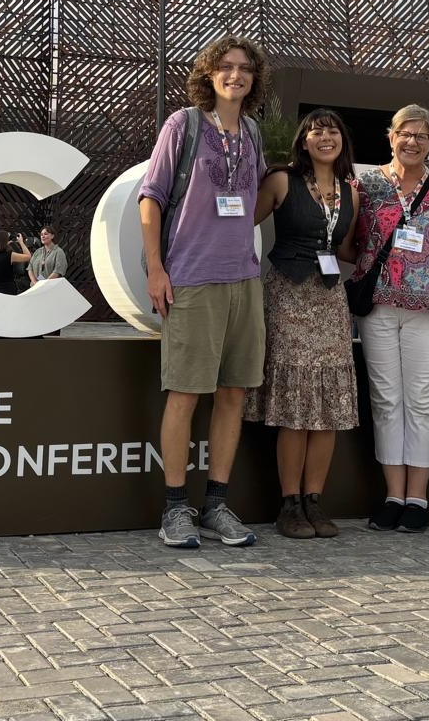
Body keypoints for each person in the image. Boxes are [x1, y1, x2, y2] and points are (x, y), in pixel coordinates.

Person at [138, 34, 267, 549]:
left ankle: (215, 503)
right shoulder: (184, 124)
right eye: (226, 67)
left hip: (244, 279)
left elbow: (252, 197)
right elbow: (151, 198)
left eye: (244, 69)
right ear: (209, 75)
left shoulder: (253, 132)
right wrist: (156, 268)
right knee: (186, 393)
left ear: (254, 80)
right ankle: (175, 507)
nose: (235, 75)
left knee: (233, 393)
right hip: (190, 277)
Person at [244, 108, 360, 540]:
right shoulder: (280, 180)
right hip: (288, 295)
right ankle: (289, 504)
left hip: (330, 299)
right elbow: (240, 226)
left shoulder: (352, 191)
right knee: (296, 407)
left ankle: (314, 500)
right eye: (315, 130)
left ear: (342, 140)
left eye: (332, 129)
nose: (325, 136)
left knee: (326, 408)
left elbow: (347, 247)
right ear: (303, 141)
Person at [348, 104, 429, 534]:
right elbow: (350, 239)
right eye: (404, 133)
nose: (412, 142)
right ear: (390, 136)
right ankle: (394, 495)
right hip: (377, 305)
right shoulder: (366, 184)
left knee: (423, 399)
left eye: (422, 136)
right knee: (387, 398)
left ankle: (419, 498)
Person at [0, 230, 31, 294]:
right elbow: (28, 257)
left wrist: (7, 242)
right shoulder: (9, 255)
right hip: (7, 290)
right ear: (4, 241)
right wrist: (21, 242)